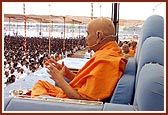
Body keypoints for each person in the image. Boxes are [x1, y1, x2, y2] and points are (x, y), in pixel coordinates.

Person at [31, 17, 127, 102]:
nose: (86, 38)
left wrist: (60, 80)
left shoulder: (107, 61)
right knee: (42, 84)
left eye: (88, 34)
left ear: (99, 36)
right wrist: (67, 74)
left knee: (40, 87)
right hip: (75, 97)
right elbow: (86, 84)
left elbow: (83, 100)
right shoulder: (107, 53)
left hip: (74, 104)